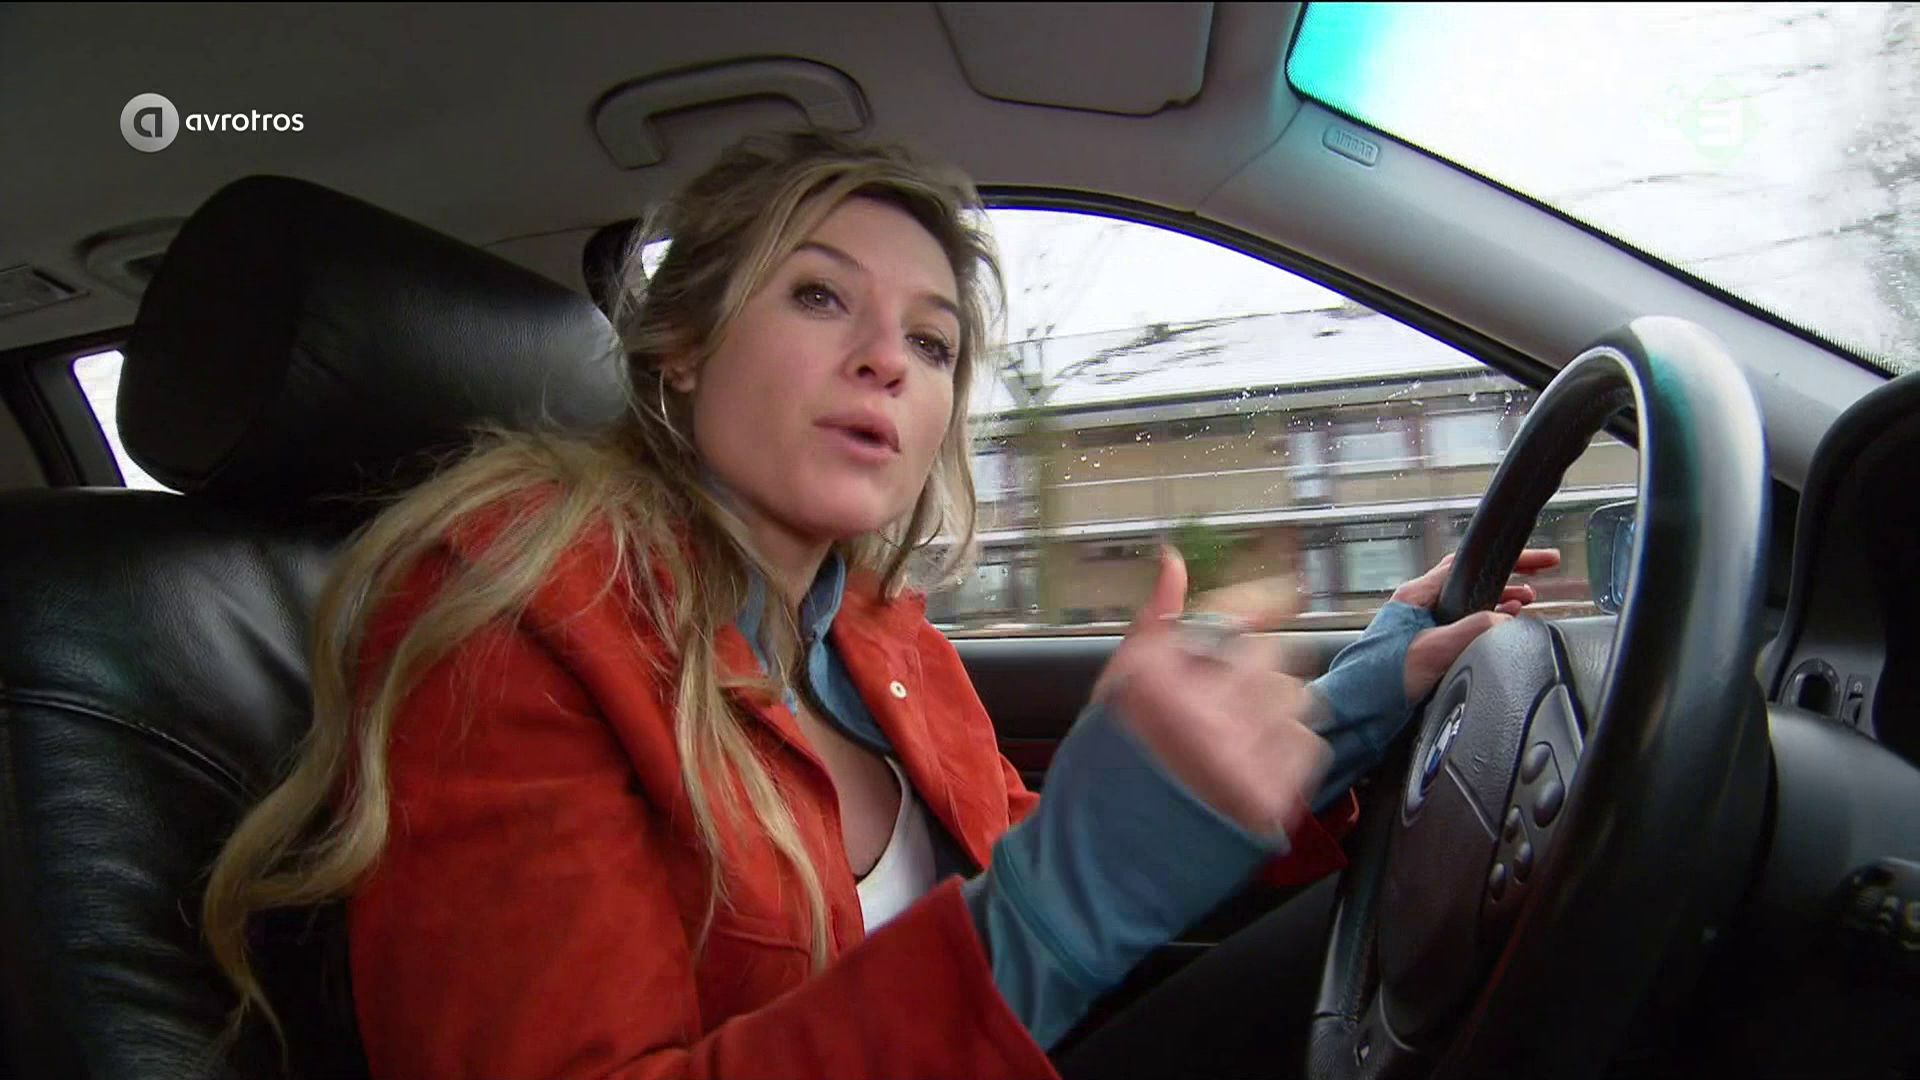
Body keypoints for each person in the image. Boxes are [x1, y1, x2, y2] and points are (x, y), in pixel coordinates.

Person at [200, 131, 1556, 1079]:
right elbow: (1050, 900)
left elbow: (1030, 856)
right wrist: (1070, 897)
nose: (885, 363)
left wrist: (1369, 691)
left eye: (930, 341)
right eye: (818, 296)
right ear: (682, 351)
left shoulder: (874, 632)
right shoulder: (517, 616)